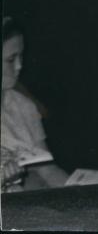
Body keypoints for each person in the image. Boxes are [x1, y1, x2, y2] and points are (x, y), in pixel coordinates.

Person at [1, 17, 68, 191]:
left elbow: (48, 170)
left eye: (21, 56)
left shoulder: (25, 106)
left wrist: (82, 195)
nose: (19, 66)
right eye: (10, 59)